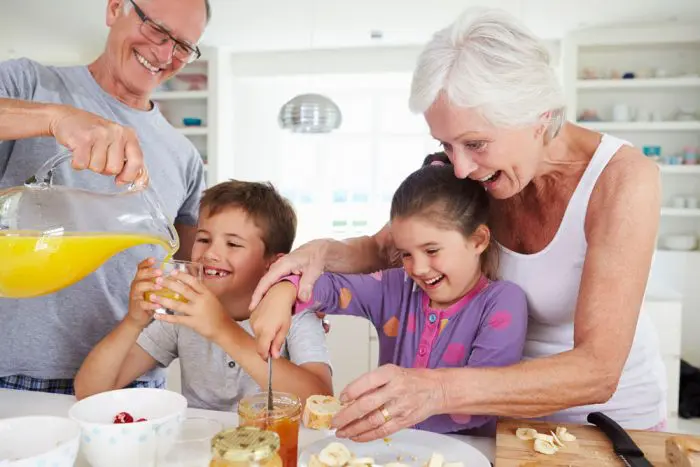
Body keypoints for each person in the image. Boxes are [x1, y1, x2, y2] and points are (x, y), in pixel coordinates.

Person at [250, 7, 666, 441]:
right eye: (446, 144)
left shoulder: (621, 181)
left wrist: (436, 389)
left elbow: (598, 370)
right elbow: (382, 248)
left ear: (538, 114)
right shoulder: (464, 170)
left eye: (475, 144)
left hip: (607, 426)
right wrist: (316, 256)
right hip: (498, 420)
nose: (460, 168)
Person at [0, 0, 211, 393]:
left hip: (131, 382)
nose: (165, 54)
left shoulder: (183, 156)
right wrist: (54, 118)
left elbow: (188, 266)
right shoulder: (31, 85)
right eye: (156, 29)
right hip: (17, 375)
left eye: (183, 46)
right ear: (115, 9)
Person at [252, 163, 528, 436]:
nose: (417, 268)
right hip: (393, 451)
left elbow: (481, 402)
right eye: (406, 254)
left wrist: (386, 414)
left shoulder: (502, 303)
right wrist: (283, 291)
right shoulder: (397, 286)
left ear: (478, 240)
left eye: (432, 250)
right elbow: (329, 287)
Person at [75, 180, 333, 409]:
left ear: (274, 263)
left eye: (233, 244)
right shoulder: (183, 311)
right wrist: (133, 321)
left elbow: (320, 401)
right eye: (204, 239)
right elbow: (90, 392)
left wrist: (221, 328)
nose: (210, 253)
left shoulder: (294, 315)